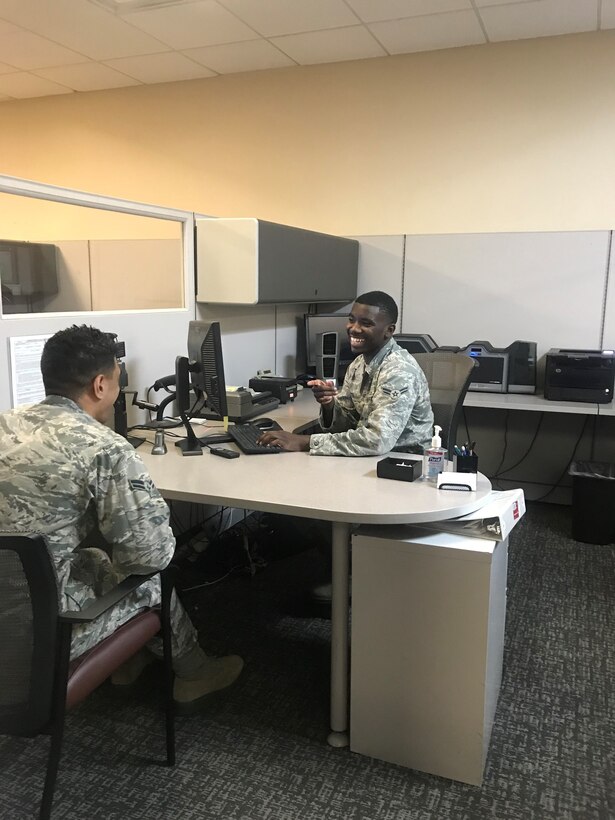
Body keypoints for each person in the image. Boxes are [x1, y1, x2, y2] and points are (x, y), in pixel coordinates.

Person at [0, 324, 242, 714]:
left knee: (97, 559)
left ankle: (129, 660)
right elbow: (150, 557)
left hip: (8, 617)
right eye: (117, 378)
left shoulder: (7, 423)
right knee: (152, 580)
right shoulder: (103, 447)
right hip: (39, 643)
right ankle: (195, 673)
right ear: (100, 386)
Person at [258, 290, 434, 455]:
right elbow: (346, 425)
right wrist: (329, 404)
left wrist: (304, 441)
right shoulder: (358, 364)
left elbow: (377, 440)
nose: (354, 328)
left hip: (404, 464)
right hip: (369, 458)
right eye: (352, 320)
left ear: (389, 330)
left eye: (366, 323)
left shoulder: (399, 372)